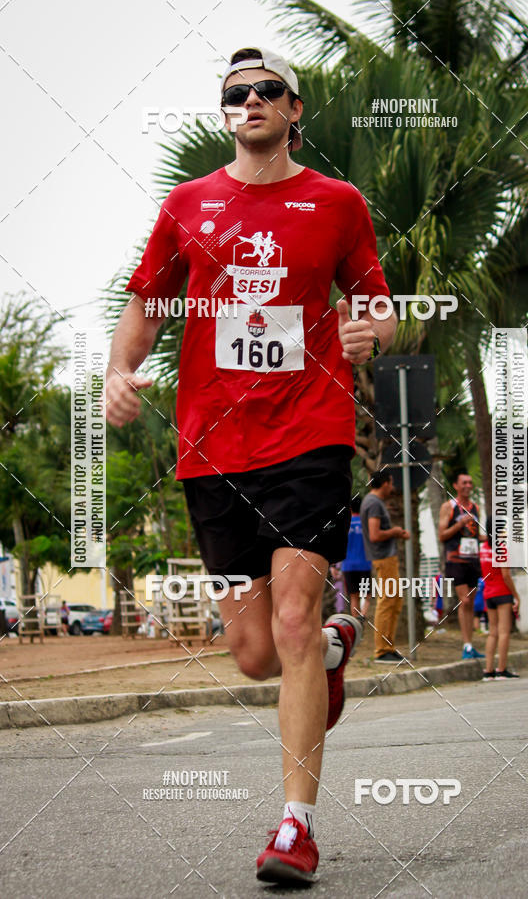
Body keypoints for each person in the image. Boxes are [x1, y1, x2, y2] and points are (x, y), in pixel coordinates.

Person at [105, 46, 397, 885]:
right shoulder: (189, 205)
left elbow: (374, 300)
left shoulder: (337, 203)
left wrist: (365, 329)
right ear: (226, 113)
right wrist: (121, 372)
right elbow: (144, 305)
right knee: (255, 654)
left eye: (268, 90)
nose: (253, 101)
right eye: (237, 94)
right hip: (211, 448)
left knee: (296, 623)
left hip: (308, 435)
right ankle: (339, 650)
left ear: (294, 109)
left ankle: (295, 828)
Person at [360, 470, 410, 663]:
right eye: (391, 482)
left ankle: (388, 646)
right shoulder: (373, 503)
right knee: (387, 601)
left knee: (395, 600)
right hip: (383, 558)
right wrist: (395, 532)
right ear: (385, 483)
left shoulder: (373, 502)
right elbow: (374, 535)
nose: (393, 486)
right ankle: (381, 650)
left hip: (386, 557)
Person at [439, 472, 485, 659]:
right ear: (456, 486)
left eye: (470, 482)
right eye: (464, 482)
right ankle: (465, 645)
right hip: (455, 560)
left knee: (471, 604)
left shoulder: (475, 508)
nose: (468, 485)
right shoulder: (448, 507)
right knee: (464, 601)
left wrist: (492, 538)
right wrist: (460, 524)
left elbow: (475, 536)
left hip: (473, 559)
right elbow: (442, 535)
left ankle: (470, 645)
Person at [479, 516, 520, 680]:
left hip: (488, 593)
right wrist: (516, 596)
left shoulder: (483, 548)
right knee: (504, 632)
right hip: (502, 593)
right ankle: (501, 669)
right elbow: (506, 575)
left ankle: (488, 671)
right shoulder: (501, 549)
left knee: (492, 633)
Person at [341, 495, 372, 620]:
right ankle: (363, 616)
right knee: (368, 595)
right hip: (364, 564)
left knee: (354, 596)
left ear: (350, 508)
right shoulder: (366, 524)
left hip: (348, 565)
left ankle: (356, 623)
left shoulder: (346, 525)